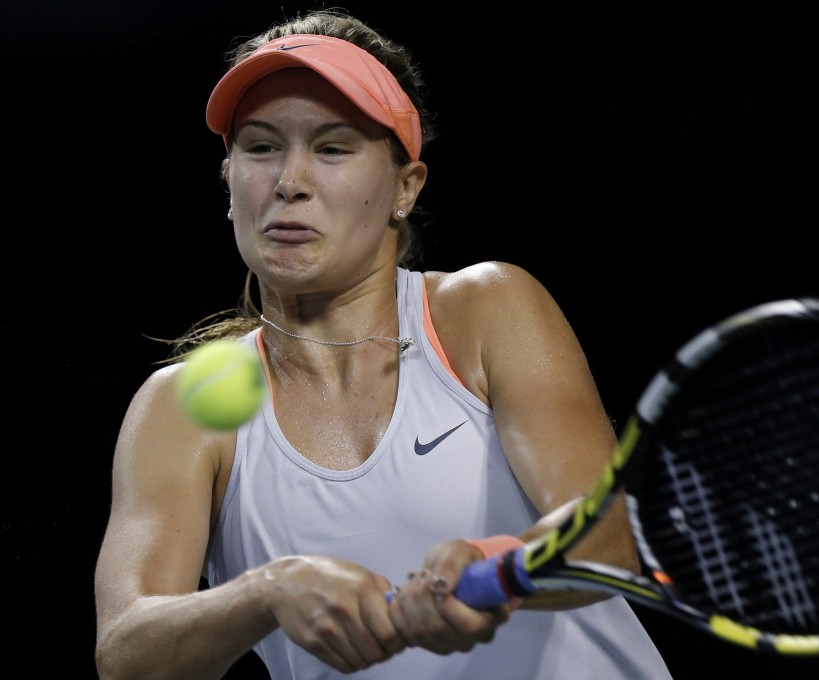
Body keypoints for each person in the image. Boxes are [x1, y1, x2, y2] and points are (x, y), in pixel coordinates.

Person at [93, 8, 674, 679]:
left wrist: (496, 569)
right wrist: (267, 591)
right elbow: (126, 651)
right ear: (228, 181)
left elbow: (606, 536)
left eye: (333, 148)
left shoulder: (487, 307)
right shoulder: (181, 406)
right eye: (261, 147)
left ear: (405, 186)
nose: (289, 181)